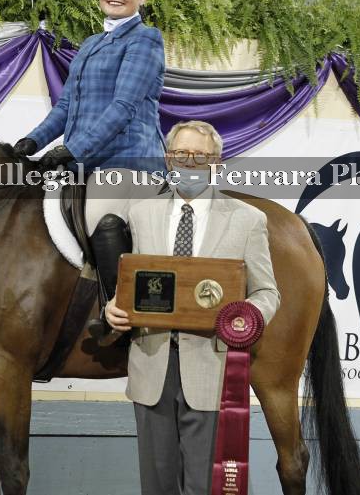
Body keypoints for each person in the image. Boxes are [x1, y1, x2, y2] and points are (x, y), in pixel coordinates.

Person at [105, 120, 281, 495]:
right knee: (157, 486)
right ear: (168, 159)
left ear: (216, 162)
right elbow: (134, 283)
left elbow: (267, 292)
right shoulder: (141, 214)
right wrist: (113, 308)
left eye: (200, 156)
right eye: (181, 154)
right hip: (152, 367)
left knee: (204, 485)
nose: (190, 162)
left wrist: (246, 318)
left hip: (211, 369)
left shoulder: (248, 220)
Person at [12, 0, 167, 327]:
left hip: (129, 164)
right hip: (86, 164)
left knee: (100, 215)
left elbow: (123, 107)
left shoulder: (145, 39)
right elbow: (66, 107)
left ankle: (121, 313)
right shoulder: (92, 44)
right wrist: (32, 142)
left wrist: (71, 150)